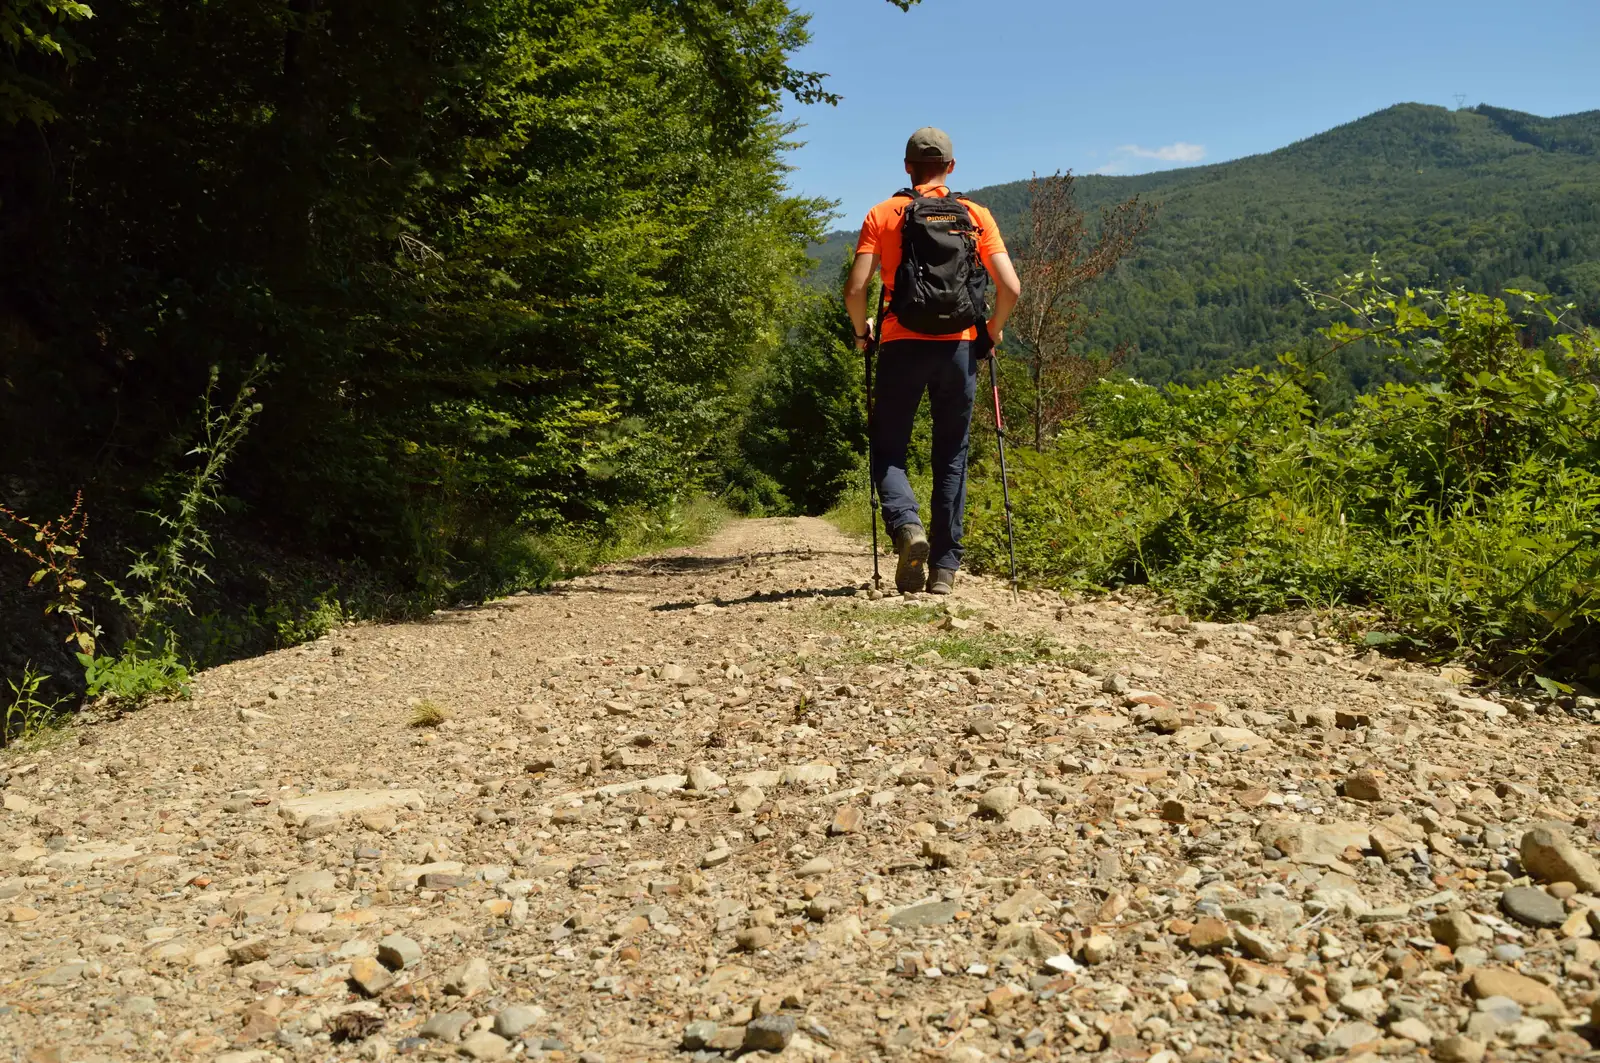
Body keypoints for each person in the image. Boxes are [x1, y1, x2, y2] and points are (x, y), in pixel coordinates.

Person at [844, 127, 1022, 594]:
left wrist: (863, 335)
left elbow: (856, 289)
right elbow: (1011, 288)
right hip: (960, 346)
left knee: (888, 449)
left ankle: (907, 528)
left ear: (906, 166)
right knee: (951, 455)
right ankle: (944, 569)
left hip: (902, 343)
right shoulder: (976, 215)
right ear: (951, 166)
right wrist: (991, 332)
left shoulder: (883, 213)